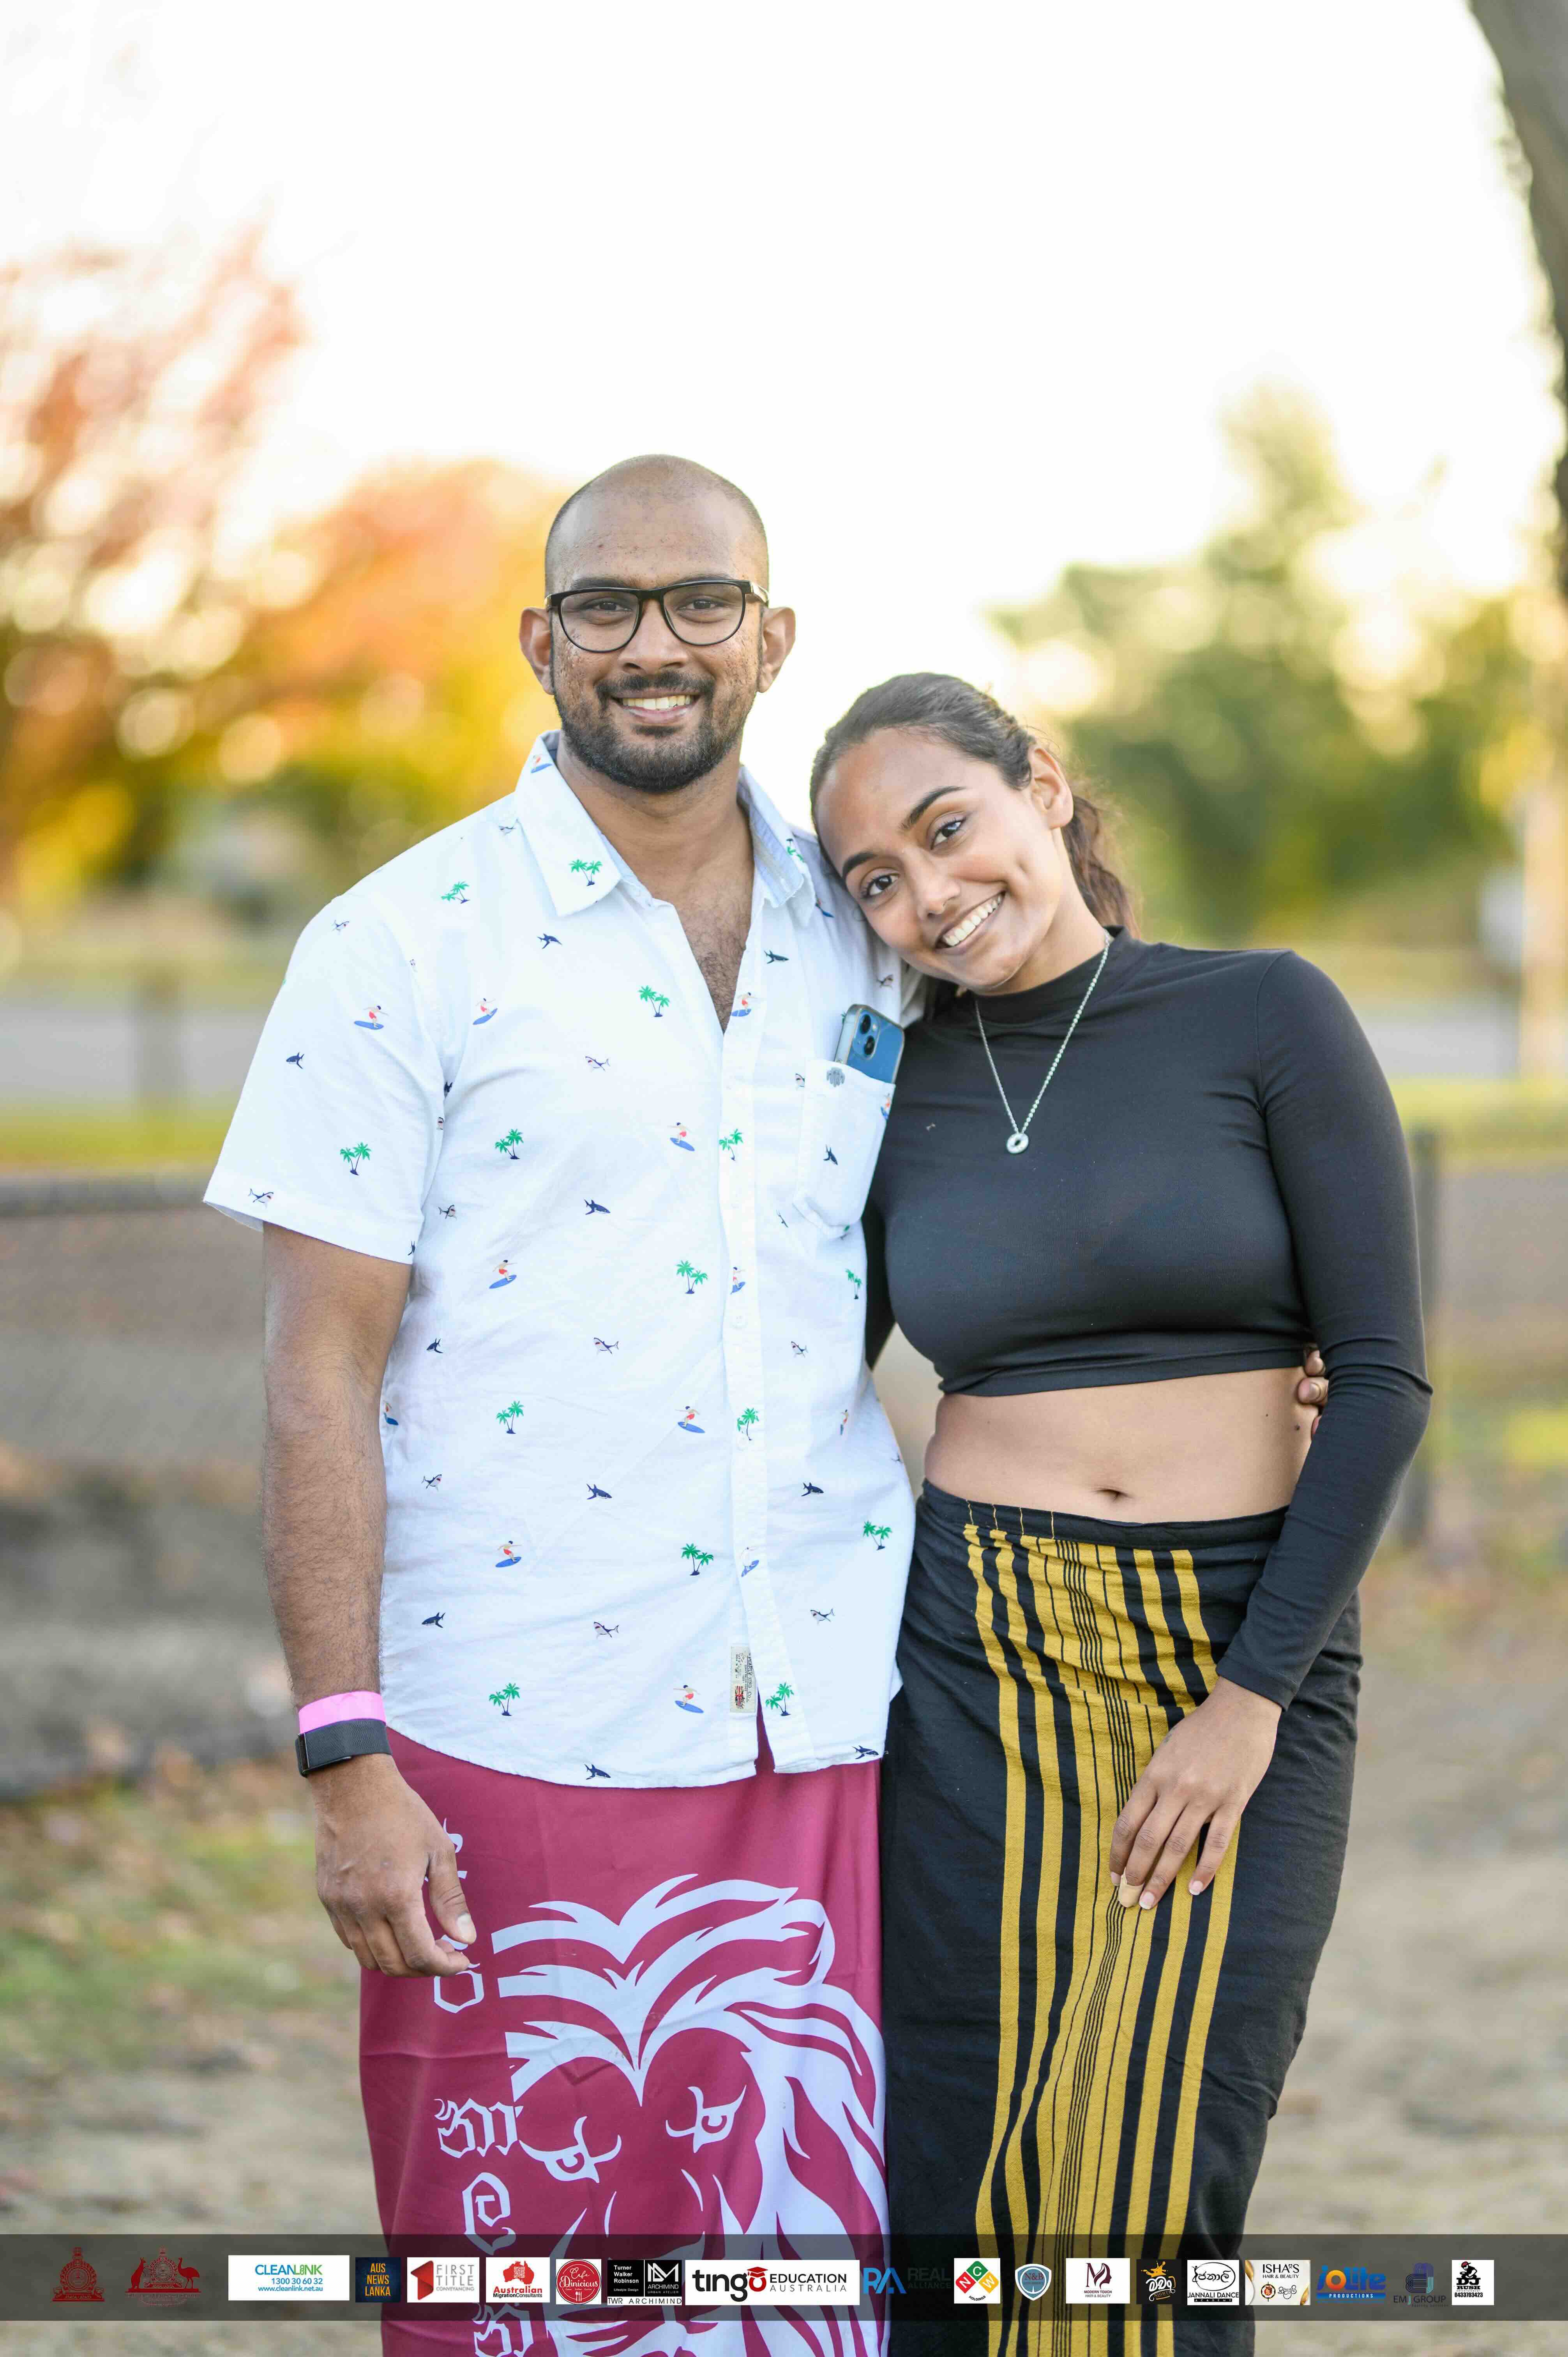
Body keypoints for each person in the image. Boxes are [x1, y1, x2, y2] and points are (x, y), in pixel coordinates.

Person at [203, 457, 920, 2355]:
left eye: (702, 602)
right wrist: (347, 1757)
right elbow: (313, 1372)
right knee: (523, 2296)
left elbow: (1056, 1156)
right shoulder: (395, 944)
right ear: (542, 641)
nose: (653, 644)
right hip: (508, 1733)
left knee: (799, 2295)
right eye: (604, 606)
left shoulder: (876, 935)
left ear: (772, 636)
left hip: (821, 1719)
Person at [809, 673, 1429, 2353]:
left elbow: (1380, 1380)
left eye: (947, 829)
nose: (928, 895)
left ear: (1045, 789)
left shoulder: (1262, 1017)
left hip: (1230, 1652)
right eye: (873, 878)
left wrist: (1249, 1703)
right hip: (977, 1661)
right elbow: (789, 1379)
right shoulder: (882, 1096)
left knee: (1164, 2182)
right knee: (968, 2160)